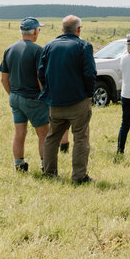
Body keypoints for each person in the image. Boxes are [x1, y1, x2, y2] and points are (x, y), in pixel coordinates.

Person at [38, 15, 97, 183]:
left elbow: (41, 73)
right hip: (78, 100)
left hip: (55, 101)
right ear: (78, 30)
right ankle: (79, 176)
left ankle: (49, 173)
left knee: (52, 137)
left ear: (62, 30)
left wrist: (49, 91)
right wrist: (89, 93)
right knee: (80, 138)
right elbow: (90, 73)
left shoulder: (48, 46)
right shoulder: (83, 46)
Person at [0, 18, 48, 171]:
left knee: (20, 132)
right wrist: (45, 97)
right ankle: (45, 166)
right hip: (33, 97)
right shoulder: (38, 50)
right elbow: (41, 77)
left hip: (15, 97)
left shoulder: (10, 49)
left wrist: (12, 94)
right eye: (38, 29)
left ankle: (19, 164)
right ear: (34, 31)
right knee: (43, 134)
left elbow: (3, 78)